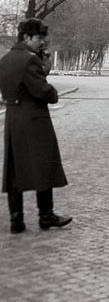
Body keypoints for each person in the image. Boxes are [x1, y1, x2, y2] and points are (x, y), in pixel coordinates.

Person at [1, 18, 71, 234]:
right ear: (27, 37)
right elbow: (44, 92)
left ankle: (16, 220)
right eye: (39, 38)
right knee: (43, 165)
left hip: (13, 118)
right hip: (34, 119)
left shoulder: (5, 59)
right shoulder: (30, 60)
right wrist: (53, 91)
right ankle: (46, 215)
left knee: (14, 168)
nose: (42, 42)